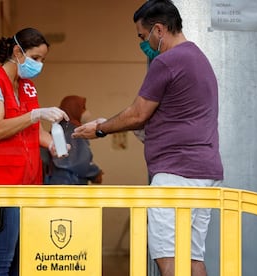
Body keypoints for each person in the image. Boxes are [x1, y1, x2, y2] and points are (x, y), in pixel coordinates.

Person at [72, 1, 224, 275]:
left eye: (143, 37)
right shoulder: (199, 59)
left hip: (175, 174)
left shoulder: (166, 61)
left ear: (158, 30)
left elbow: (138, 114)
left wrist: (101, 129)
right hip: (204, 171)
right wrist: (110, 123)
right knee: (193, 259)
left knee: (169, 260)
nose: (143, 44)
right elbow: (166, 121)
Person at [0, 27, 69, 276]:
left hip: (26, 185)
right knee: (0, 262)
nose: (39, 64)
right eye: (35, 58)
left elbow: (31, 131)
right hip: (0, 186)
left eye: (43, 60)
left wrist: (51, 143)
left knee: (21, 262)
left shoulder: (26, 87)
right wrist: (35, 114)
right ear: (17, 52)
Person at [46, 95, 103, 185]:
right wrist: (95, 173)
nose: (86, 112)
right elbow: (82, 162)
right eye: (83, 108)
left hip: (55, 182)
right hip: (71, 184)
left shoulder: (57, 129)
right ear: (74, 109)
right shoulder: (74, 131)